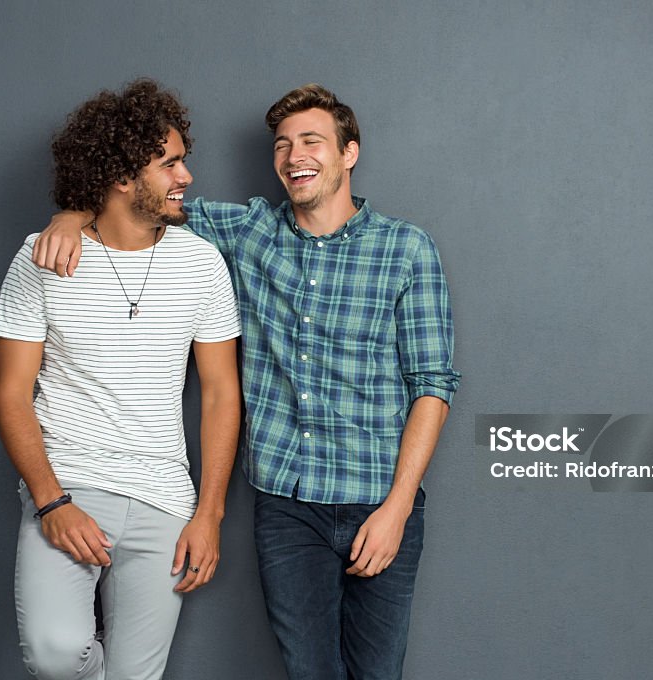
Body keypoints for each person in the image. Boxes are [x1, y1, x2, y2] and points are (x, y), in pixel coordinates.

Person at [34, 83, 460, 680]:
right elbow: (139, 199)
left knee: (378, 673)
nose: (293, 157)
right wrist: (70, 214)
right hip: (287, 510)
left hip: (380, 503)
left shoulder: (407, 250)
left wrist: (396, 508)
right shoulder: (248, 232)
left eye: (312, 141)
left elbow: (433, 386)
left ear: (349, 153)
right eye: (282, 145)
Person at [0, 79, 241, 680]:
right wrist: (51, 501)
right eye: (170, 164)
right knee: (56, 654)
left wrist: (209, 514)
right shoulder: (43, 257)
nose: (186, 176)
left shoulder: (201, 262)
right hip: (70, 487)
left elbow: (220, 394)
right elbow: (10, 393)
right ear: (123, 177)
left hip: (166, 502)